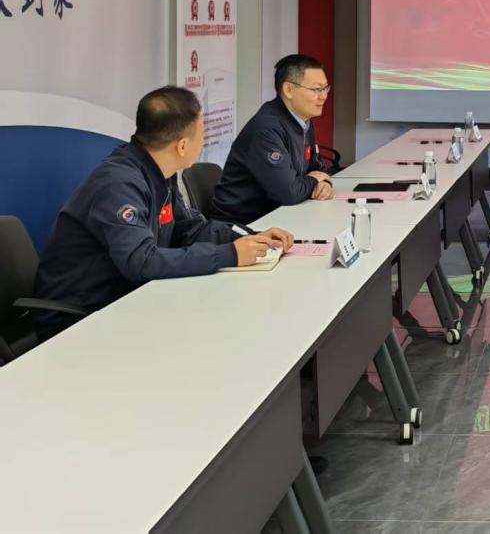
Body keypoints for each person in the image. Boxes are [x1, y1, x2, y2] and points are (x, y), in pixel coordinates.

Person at [33, 87, 292, 338]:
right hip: (79, 320)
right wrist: (230, 255)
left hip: (127, 299)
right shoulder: (119, 183)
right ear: (182, 146)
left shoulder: (158, 172)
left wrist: (248, 237)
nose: (203, 141)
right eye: (201, 134)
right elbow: (140, 262)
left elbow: (190, 229)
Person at [212, 54, 335, 223]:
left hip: (278, 216)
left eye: (325, 89)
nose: (323, 96)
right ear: (288, 89)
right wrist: (314, 180)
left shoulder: (303, 121)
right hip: (243, 225)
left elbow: (318, 168)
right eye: (316, 90)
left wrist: (324, 184)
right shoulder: (266, 129)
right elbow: (288, 193)